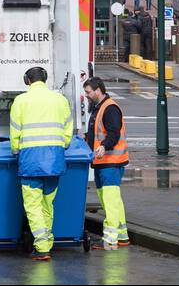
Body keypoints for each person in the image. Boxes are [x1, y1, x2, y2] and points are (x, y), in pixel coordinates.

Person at [9, 66, 73, 261]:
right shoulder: (60, 100)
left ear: (27, 80)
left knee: (33, 205)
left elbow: (15, 133)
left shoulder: (21, 101)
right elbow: (68, 131)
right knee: (48, 204)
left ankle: (42, 247)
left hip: (31, 161)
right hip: (54, 160)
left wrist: (15, 150)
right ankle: (47, 242)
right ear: (45, 80)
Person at [83, 77, 129, 250]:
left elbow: (113, 134)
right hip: (104, 162)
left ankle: (110, 241)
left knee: (110, 202)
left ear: (98, 90)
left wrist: (104, 146)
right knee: (113, 201)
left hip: (111, 162)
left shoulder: (109, 108)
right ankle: (122, 236)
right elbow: (98, 132)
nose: (86, 95)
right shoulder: (100, 107)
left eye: (88, 92)